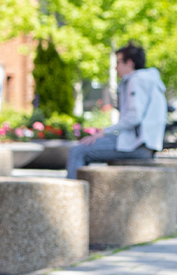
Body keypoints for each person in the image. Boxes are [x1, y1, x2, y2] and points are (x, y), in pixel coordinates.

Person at [66, 43, 167, 178]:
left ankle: (72, 197)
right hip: (143, 145)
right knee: (82, 148)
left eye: (118, 62)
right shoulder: (148, 80)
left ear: (129, 63)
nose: (116, 67)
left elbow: (133, 117)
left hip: (136, 146)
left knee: (77, 151)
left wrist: (104, 132)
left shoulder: (136, 80)